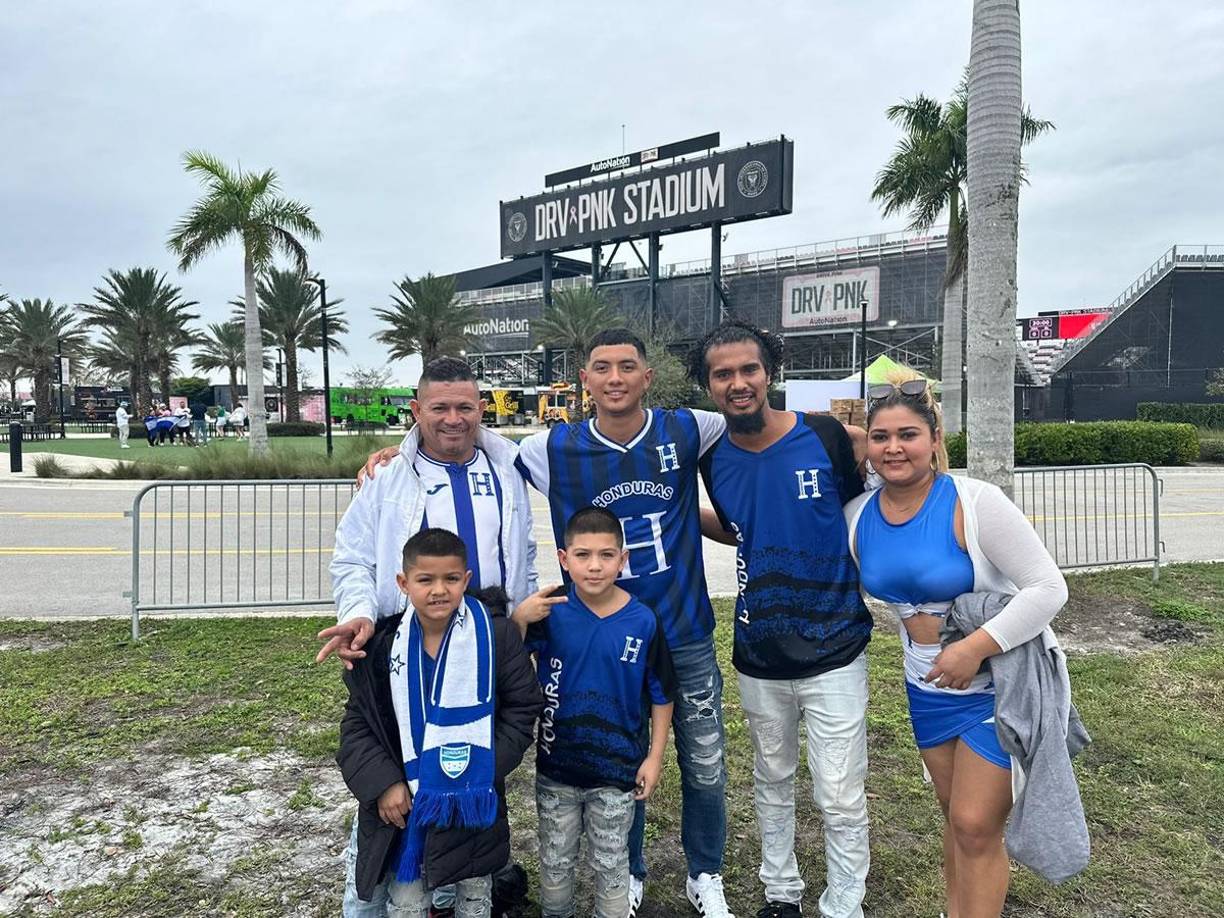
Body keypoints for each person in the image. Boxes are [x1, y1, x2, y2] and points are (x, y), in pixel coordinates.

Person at [361, 330, 735, 918]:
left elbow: (764, 425)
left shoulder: (690, 426)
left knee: (706, 762)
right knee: (621, 755)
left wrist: (852, 442)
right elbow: (465, 438)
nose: (615, 378)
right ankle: (630, 872)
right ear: (584, 379)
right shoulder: (548, 448)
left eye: (627, 367)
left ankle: (705, 872)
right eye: (601, 367)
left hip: (682, 629)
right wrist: (398, 452)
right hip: (601, 640)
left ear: (647, 377)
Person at [324, 356, 563, 917]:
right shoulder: (387, 478)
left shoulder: (507, 466)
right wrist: (360, 612)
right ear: (416, 411)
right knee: (401, 763)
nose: (453, 419)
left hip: (489, 636)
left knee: (470, 760)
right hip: (408, 637)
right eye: (439, 408)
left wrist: (521, 624)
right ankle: (376, 894)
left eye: (465, 407)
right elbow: (353, 556)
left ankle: (457, 886)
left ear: (482, 409)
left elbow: (523, 552)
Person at [844, 374, 1069, 918]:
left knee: (974, 823)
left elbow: (1048, 587)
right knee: (955, 819)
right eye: (879, 437)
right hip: (925, 686)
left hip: (995, 685)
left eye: (907, 434)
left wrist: (973, 649)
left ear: (935, 438)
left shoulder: (974, 501)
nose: (893, 448)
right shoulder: (857, 517)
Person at [690, 320, 872, 918]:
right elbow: (740, 524)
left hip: (836, 647)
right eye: (723, 374)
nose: (738, 383)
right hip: (759, 652)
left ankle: (844, 904)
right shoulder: (713, 461)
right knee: (772, 780)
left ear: (771, 372)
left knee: (840, 795)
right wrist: (682, 519)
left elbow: (857, 506)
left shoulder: (826, 438)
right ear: (709, 386)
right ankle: (781, 894)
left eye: (749, 369)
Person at [337, 527, 543, 918]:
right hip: (407, 804)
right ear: (403, 582)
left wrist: (479, 768)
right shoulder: (384, 645)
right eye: (425, 579)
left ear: (466, 580)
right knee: (408, 900)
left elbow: (522, 708)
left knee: (474, 896)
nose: (439, 590)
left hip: (474, 801)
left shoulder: (495, 635)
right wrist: (385, 784)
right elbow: (358, 726)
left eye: (451, 579)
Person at [515, 507, 676, 918]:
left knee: (611, 863)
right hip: (556, 768)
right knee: (554, 863)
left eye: (606, 555)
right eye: (583, 555)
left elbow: (662, 695)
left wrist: (654, 758)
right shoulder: (548, 613)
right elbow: (509, 666)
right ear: (564, 559)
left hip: (616, 772)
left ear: (623, 560)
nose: (595, 566)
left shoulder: (643, 621)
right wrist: (518, 620)